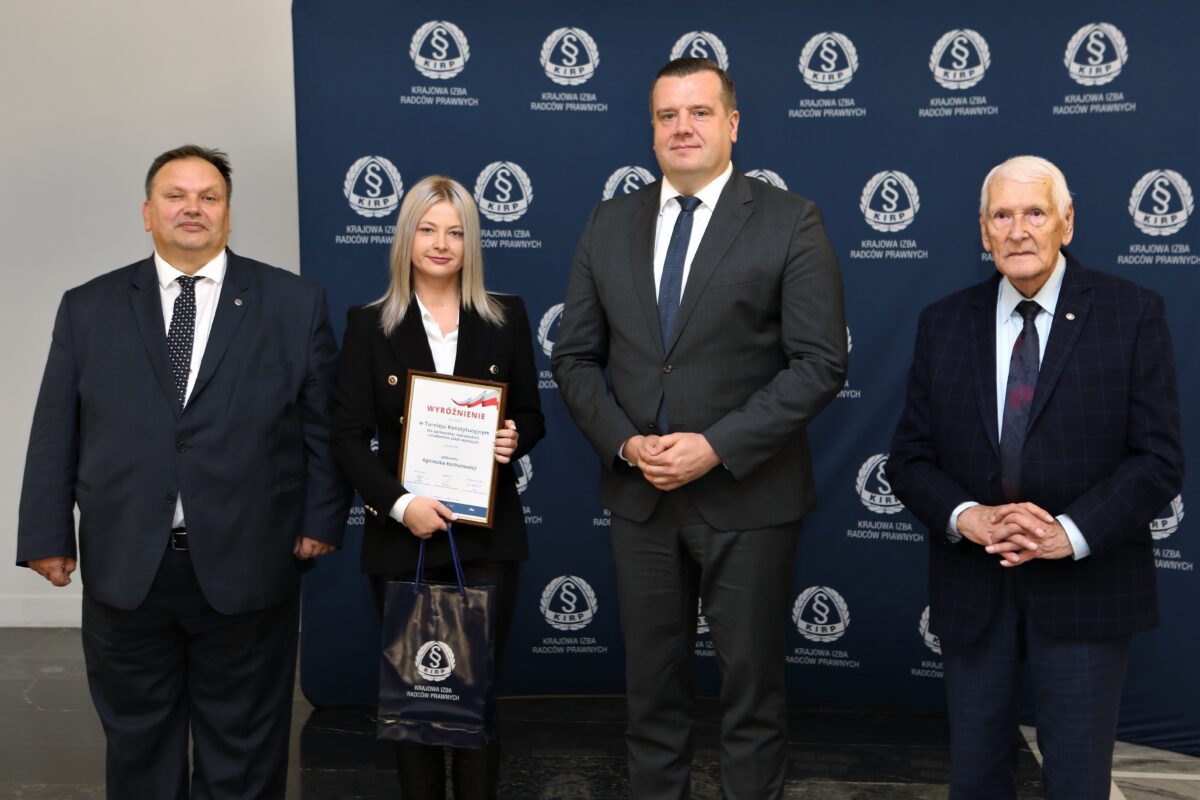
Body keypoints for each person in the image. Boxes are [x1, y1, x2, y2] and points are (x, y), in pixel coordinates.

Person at [551, 58, 847, 799]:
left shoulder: (790, 220)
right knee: (650, 694)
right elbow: (574, 357)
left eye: (700, 112)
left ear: (732, 124)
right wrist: (626, 443)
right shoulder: (608, 223)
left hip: (749, 497)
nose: (682, 128)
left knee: (752, 696)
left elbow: (819, 363)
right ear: (651, 130)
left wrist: (716, 446)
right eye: (667, 115)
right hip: (641, 497)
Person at [16, 144, 350, 798]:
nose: (192, 208)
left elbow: (321, 426)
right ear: (148, 213)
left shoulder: (293, 303)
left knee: (243, 749)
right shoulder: (87, 307)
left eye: (209, 197)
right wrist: (46, 535)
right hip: (126, 567)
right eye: (176, 196)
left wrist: (320, 520)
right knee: (138, 745)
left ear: (228, 214)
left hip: (251, 558)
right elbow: (56, 427)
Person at [887, 155, 1184, 798]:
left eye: (1035, 213)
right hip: (974, 590)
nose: (1018, 231)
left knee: (1077, 781)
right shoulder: (944, 322)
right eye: (1002, 215)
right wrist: (969, 517)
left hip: (1086, 588)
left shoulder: (1131, 313)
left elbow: (1159, 459)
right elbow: (909, 458)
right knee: (975, 778)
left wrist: (1065, 533)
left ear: (1066, 222)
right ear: (984, 230)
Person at [332, 175, 544, 799]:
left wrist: (513, 438)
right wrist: (402, 506)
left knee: (477, 694)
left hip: (488, 536)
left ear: (471, 242)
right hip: (404, 536)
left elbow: (531, 414)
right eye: (427, 229)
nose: (441, 243)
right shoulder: (369, 324)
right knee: (414, 697)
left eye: (455, 232)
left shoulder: (505, 317)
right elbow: (346, 437)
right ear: (406, 238)